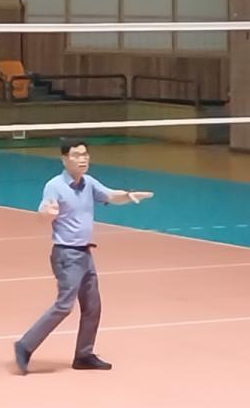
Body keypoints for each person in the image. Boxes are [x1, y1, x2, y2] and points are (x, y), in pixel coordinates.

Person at [14, 138, 153, 374]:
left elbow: (110, 195)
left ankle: (84, 355)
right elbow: (43, 212)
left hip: (85, 253)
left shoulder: (89, 183)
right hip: (66, 255)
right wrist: (47, 213)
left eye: (85, 154)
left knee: (93, 307)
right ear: (64, 159)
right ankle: (25, 345)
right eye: (77, 155)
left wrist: (129, 196)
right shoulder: (55, 185)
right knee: (64, 305)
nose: (83, 159)